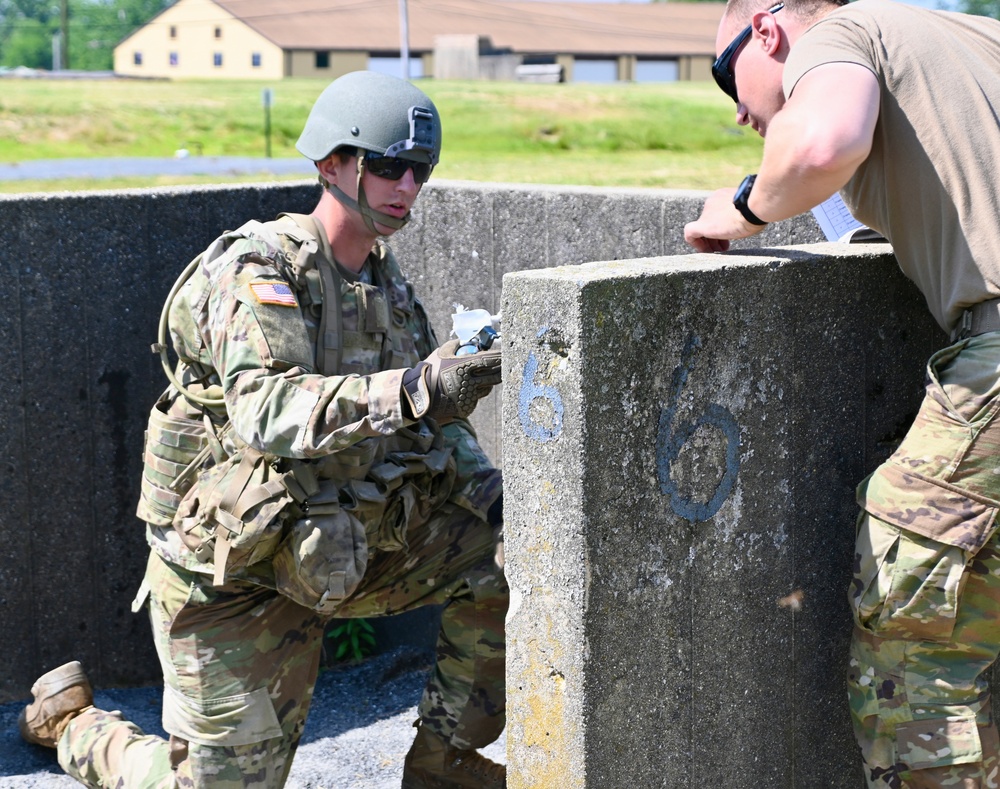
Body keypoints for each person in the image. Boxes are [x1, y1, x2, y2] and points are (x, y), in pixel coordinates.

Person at [19, 70, 508, 789]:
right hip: (235, 576)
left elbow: (427, 419)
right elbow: (267, 409)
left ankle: (443, 769)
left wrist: (493, 494)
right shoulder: (258, 271)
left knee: (505, 555)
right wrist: (413, 389)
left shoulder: (384, 283)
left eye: (420, 170)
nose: (407, 186)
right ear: (331, 164)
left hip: (336, 543)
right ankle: (75, 724)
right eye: (386, 165)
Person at [685, 0, 1000, 786]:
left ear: (767, 29)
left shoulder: (840, 35)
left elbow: (824, 140)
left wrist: (745, 205)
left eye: (730, 77)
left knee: (911, 614)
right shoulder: (970, 38)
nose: (737, 112)